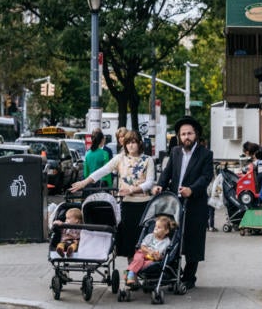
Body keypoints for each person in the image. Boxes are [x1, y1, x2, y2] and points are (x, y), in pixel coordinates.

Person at [71, 130, 155, 258]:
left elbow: (149, 183)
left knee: (142, 239)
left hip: (144, 204)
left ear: (140, 143)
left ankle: (138, 269)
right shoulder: (120, 158)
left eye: (133, 142)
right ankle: (131, 270)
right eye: (128, 143)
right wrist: (84, 182)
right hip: (127, 204)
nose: (131, 145)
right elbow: (103, 171)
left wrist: (132, 190)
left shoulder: (148, 160)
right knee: (129, 241)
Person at [153, 115, 213, 290]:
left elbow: (206, 177)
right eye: (183, 134)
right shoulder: (175, 152)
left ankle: (189, 277)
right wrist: (159, 185)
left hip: (195, 203)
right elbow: (167, 172)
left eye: (190, 133)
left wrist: (192, 189)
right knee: (171, 237)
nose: (186, 137)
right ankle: (171, 272)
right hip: (175, 202)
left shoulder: (206, 154)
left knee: (193, 240)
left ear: (196, 135)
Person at [125, 215, 177, 284]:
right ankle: (130, 275)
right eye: (155, 226)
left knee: (148, 265)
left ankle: (127, 272)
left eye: (159, 227)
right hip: (142, 253)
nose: (155, 228)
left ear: (166, 231)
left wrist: (159, 256)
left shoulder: (167, 242)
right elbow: (142, 246)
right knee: (139, 259)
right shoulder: (150, 236)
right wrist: (149, 251)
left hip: (151, 259)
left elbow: (164, 255)